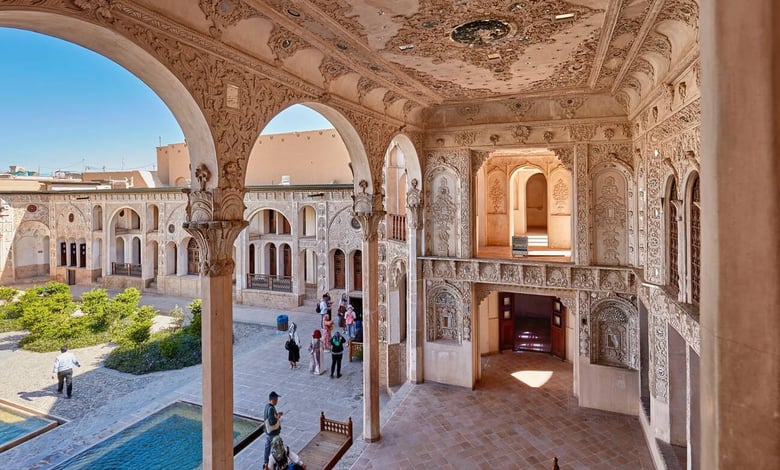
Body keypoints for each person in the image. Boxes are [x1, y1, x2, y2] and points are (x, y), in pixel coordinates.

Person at [263, 391, 284, 469]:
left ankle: (266, 463)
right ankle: (274, 464)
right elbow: (272, 421)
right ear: (273, 399)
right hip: (273, 432)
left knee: (267, 446)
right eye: (276, 400)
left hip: (268, 432)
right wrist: (278, 417)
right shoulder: (271, 408)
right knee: (275, 447)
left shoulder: (267, 406)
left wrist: (277, 414)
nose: (277, 401)